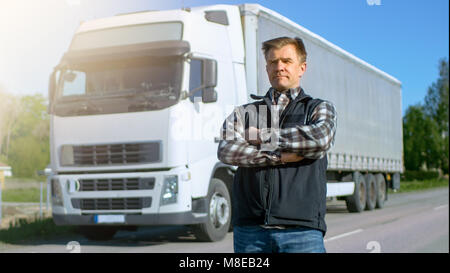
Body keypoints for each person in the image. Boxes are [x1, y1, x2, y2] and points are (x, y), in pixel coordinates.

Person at [217, 36, 337, 253]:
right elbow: (226, 150)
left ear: (302, 68)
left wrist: (262, 136)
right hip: (250, 231)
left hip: (302, 231)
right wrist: (278, 157)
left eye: (286, 61)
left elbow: (320, 139)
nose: (279, 67)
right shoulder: (245, 112)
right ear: (266, 68)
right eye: (273, 62)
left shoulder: (318, 108)